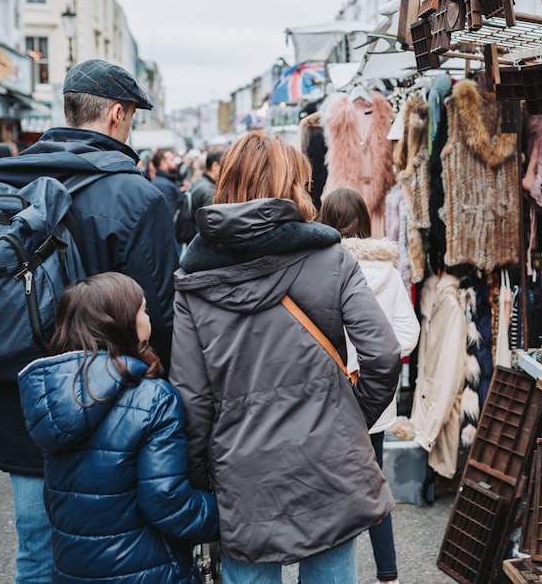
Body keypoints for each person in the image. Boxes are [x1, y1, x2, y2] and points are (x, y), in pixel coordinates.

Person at [0, 58, 178, 584]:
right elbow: (160, 314)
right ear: (116, 114)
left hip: (20, 396)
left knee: (36, 552)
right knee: (117, 551)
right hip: (112, 406)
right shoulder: (136, 195)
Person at [169, 130, 401, 584]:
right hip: (328, 459)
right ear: (293, 184)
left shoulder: (193, 281)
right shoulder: (332, 258)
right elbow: (383, 352)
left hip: (243, 470)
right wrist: (353, 416)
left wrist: (202, 474)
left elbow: (192, 399)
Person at [17, 273, 218, 583]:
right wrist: (220, 513)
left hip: (74, 570)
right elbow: (166, 501)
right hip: (146, 568)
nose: (148, 317)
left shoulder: (52, 398)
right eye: (143, 310)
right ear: (123, 321)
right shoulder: (154, 398)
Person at [318, 187, 420, 584]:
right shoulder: (388, 273)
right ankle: (388, 575)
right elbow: (407, 332)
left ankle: (329, 573)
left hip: (330, 396)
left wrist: (348, 361)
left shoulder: (319, 268)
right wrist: (375, 360)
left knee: (329, 487)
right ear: (365, 219)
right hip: (374, 401)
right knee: (374, 484)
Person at [152, 148, 183, 220]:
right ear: (162, 163)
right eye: (172, 160)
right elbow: (170, 216)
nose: (175, 163)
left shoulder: (165, 181)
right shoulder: (163, 185)